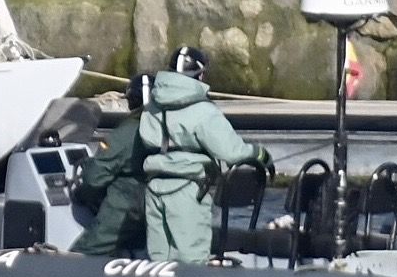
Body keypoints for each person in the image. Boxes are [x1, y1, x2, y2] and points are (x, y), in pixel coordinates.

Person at [138, 46, 272, 263]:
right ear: (200, 75)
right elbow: (231, 152)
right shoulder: (204, 111)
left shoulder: (152, 107)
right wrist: (260, 154)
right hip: (188, 190)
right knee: (191, 262)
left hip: (154, 189)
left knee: (159, 264)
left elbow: (145, 140)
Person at [70, 74, 150, 258]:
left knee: (86, 252)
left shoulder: (126, 133)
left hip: (127, 204)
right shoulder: (168, 127)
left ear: (131, 100)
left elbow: (94, 178)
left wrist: (82, 195)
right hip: (158, 202)